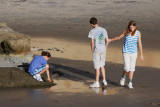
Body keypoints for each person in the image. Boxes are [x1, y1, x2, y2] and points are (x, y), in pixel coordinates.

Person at [108, 21, 143, 89]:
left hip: (134, 53)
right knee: (127, 68)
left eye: (133, 27)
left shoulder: (138, 33)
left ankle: (130, 82)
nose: (132, 29)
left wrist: (141, 54)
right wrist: (110, 40)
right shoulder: (126, 31)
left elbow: (140, 44)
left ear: (135, 27)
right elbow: (118, 37)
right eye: (130, 27)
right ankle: (123, 77)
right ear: (129, 27)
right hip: (126, 52)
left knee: (132, 68)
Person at [88, 17, 109, 88]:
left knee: (97, 66)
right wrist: (105, 47)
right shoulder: (103, 30)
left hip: (97, 50)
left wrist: (92, 50)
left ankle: (97, 82)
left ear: (92, 24)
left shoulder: (92, 31)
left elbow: (92, 42)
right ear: (97, 22)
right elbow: (107, 40)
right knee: (102, 65)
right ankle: (104, 80)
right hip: (103, 50)